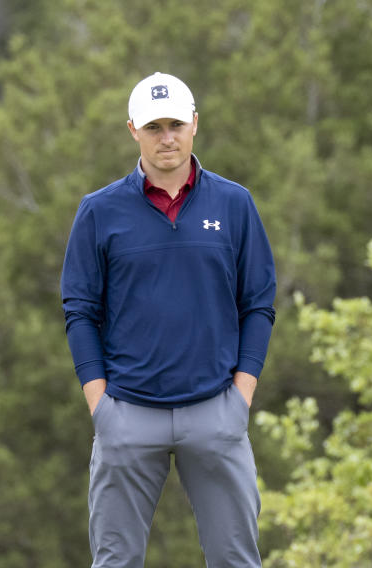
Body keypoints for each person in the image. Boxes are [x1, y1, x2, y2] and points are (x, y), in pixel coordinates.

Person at [61, 71, 276, 567]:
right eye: (154, 126)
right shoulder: (99, 211)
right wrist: (101, 408)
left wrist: (239, 398)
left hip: (215, 411)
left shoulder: (234, 204)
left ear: (195, 124)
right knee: (115, 562)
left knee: (237, 561)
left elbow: (259, 302)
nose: (167, 137)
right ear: (132, 129)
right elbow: (80, 311)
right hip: (127, 414)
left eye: (176, 124)